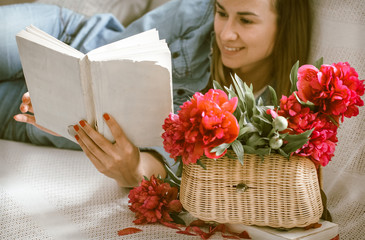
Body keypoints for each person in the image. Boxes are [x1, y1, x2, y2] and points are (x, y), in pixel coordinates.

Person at [0, 0, 312, 187]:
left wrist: (132, 169)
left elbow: (169, 169)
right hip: (64, 36)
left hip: (40, 118)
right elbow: (114, 53)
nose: (225, 33)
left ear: (283, 26)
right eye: (222, 12)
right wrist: (58, 81)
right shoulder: (198, 13)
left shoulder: (265, 123)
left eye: (245, 20)